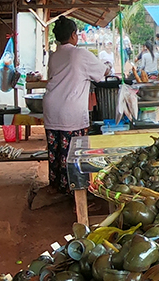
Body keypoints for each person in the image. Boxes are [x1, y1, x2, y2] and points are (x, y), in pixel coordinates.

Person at [38, 17, 109, 206]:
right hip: (71, 110)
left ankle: (58, 187)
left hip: (52, 108)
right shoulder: (80, 54)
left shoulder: (54, 55)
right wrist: (108, 68)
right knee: (74, 153)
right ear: (73, 35)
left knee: (56, 151)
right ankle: (75, 193)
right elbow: (102, 74)